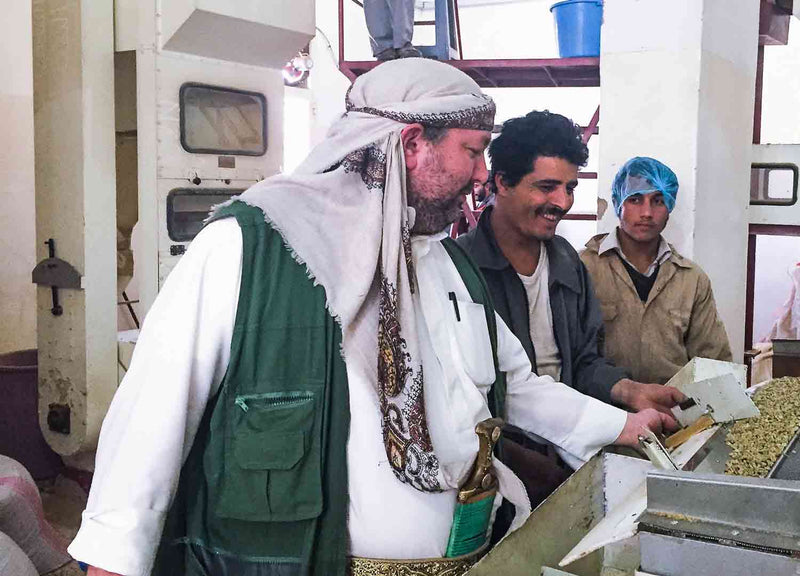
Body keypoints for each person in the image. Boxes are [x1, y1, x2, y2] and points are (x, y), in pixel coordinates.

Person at [68, 60, 668, 576]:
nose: (482, 174)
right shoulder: (249, 249)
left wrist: (623, 427)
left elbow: (518, 388)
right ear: (410, 143)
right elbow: (155, 416)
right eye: (472, 151)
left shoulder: (442, 263)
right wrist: (113, 559)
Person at [457, 112, 683, 504]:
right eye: (546, 187)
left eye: (570, 187)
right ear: (502, 183)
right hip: (491, 467)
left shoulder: (566, 262)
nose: (561, 202)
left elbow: (582, 363)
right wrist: (514, 458)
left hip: (569, 447)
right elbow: (476, 396)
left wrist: (629, 391)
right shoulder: (460, 270)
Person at [581, 156, 732, 385]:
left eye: (658, 201)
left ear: (669, 207)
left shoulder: (691, 280)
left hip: (674, 414)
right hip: (603, 411)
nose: (647, 213)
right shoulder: (584, 268)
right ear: (617, 203)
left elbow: (713, 362)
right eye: (635, 199)